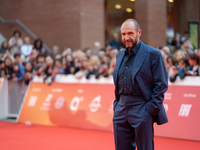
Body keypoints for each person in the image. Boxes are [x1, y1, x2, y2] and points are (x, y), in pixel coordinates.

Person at [112, 19, 168, 150]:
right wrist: (117, 106)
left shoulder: (153, 54)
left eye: (130, 33)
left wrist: (149, 110)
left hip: (142, 107)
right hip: (121, 109)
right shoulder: (119, 55)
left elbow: (161, 85)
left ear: (139, 33)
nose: (126, 37)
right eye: (123, 34)